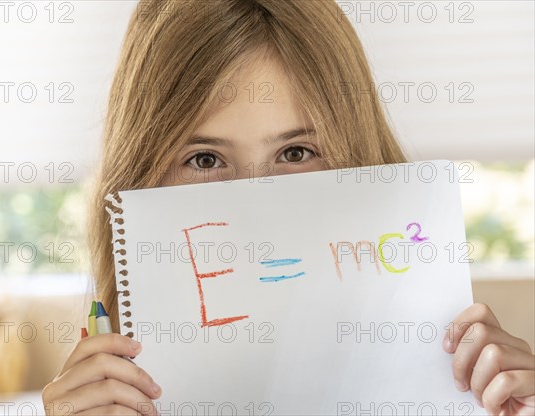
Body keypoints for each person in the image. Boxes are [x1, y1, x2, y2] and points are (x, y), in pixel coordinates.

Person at [43, 1, 535, 415]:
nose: (256, 211)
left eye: (296, 153)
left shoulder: (443, 378)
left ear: (362, 161)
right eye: (206, 159)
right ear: (138, 182)